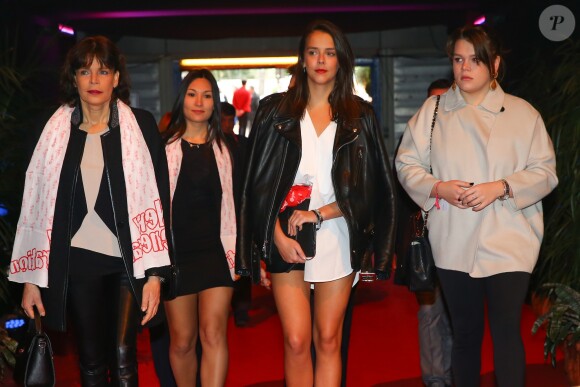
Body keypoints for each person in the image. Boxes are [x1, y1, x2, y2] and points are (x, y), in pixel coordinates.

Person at [396, 25, 558, 387]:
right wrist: (438, 187)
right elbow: (406, 163)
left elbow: (546, 172)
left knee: (505, 331)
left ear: (495, 64)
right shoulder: (434, 110)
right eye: (458, 59)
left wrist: (501, 187)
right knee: (466, 333)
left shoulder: (522, 113)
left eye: (475, 60)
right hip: (454, 239)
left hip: (511, 237)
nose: (464, 68)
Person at [237, 19, 396, 386]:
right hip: (285, 233)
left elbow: (368, 190)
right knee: (295, 340)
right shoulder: (274, 112)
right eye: (313, 52)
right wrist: (273, 235)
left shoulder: (360, 117)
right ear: (303, 60)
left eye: (329, 52)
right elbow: (255, 186)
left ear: (341, 60)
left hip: (338, 233)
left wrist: (321, 213)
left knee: (328, 339)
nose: (321, 60)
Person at [9, 35, 171, 386]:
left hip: (130, 261)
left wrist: (156, 275)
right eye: (85, 71)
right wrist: (32, 280)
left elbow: (160, 203)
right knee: (92, 361)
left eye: (103, 71)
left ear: (116, 78)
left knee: (124, 355)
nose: (94, 80)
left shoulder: (140, 127)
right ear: (75, 79)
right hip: (79, 260)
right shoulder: (53, 132)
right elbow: (35, 207)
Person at [163, 69, 240, 386]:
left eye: (207, 96)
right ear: (183, 99)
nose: (199, 101)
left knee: (213, 333)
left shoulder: (230, 150)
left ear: (215, 104)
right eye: (193, 94)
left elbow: (242, 201)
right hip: (176, 256)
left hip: (217, 253)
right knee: (182, 341)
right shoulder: (162, 149)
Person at [395, 79, 453, 387]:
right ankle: (435, 378)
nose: (438, 109)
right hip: (424, 243)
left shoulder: (468, 141)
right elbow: (400, 194)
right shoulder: (412, 142)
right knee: (430, 312)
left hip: (460, 241)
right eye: (433, 102)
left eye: (444, 101)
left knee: (458, 314)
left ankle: (456, 370)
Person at [221, 101, 252, 327]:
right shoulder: (209, 144)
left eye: (229, 120)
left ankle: (241, 307)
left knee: (242, 258)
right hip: (219, 212)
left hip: (240, 209)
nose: (226, 124)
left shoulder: (243, 144)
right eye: (222, 120)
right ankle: (224, 305)